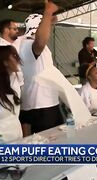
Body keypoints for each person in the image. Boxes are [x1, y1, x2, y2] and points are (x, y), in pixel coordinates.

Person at [18, 1, 64, 134]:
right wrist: (48, 11)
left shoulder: (25, 44)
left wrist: (50, 19)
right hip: (42, 107)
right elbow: (40, 40)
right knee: (50, 144)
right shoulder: (29, 44)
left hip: (41, 104)